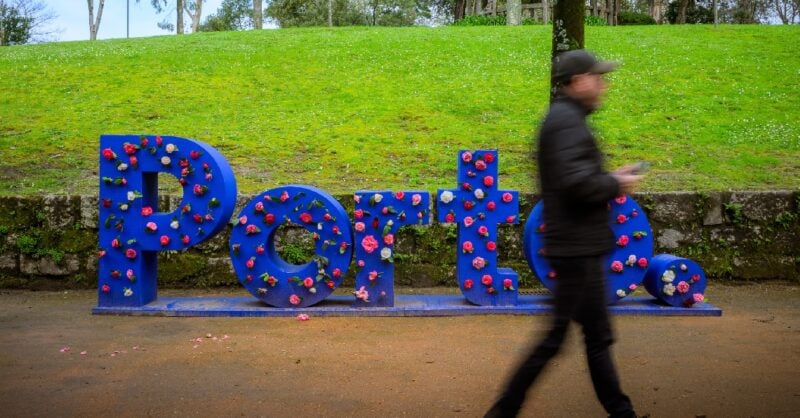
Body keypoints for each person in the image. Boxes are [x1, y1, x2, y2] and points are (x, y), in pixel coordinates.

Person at [485, 49, 644, 418]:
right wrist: (615, 183)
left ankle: (621, 412)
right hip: (575, 250)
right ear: (576, 82)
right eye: (597, 77)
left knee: (594, 337)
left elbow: (574, 177)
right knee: (559, 339)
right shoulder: (565, 122)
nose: (603, 84)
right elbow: (576, 184)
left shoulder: (568, 119)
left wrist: (610, 179)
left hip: (578, 246)